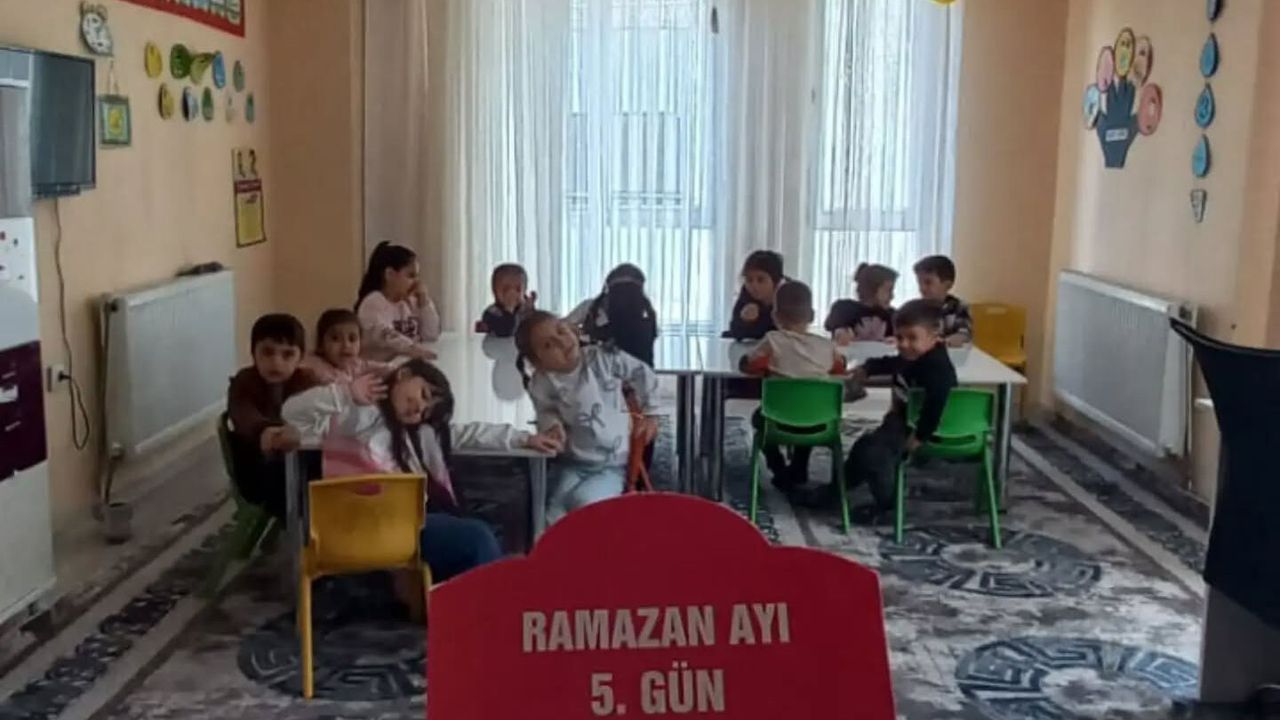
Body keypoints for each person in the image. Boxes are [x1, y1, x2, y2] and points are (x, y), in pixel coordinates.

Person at [282, 359, 561, 581]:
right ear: (403, 374)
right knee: (478, 538)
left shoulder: (414, 435)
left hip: (400, 527)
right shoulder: (359, 418)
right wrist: (345, 395)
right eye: (423, 394)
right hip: (366, 528)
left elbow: (466, 433)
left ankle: (462, 605)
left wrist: (524, 439)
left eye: (426, 410)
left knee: (483, 535)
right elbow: (291, 412)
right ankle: (491, 614)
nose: (419, 408)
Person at [802, 300, 957, 518]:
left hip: (918, 427)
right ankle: (835, 492)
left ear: (935, 336)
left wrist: (919, 437)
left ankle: (888, 506)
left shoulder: (936, 367)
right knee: (864, 448)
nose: (904, 344)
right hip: (902, 420)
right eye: (900, 338)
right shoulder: (915, 356)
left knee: (873, 454)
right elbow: (892, 363)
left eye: (912, 337)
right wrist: (867, 368)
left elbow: (937, 403)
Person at [515, 311, 660, 523]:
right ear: (537, 362)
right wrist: (552, 426)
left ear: (572, 330)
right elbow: (545, 410)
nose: (561, 342)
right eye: (548, 345)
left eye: (561, 331)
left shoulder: (602, 359)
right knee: (552, 514)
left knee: (584, 502)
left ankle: (599, 540)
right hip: (572, 462)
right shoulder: (542, 381)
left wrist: (651, 413)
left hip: (610, 464)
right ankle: (556, 545)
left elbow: (642, 373)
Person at [740, 281, 847, 488]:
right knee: (808, 411)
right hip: (821, 423)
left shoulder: (772, 340)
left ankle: (778, 467)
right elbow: (840, 367)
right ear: (812, 316)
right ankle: (799, 465)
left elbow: (749, 364)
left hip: (776, 421)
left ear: (775, 316)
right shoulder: (826, 346)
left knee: (758, 418)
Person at [226, 313, 323, 519]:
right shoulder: (244, 382)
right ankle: (301, 524)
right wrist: (266, 431)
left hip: (301, 462)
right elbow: (243, 414)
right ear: (253, 353)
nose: (276, 363)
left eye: (287, 355)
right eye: (267, 352)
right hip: (258, 469)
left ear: (300, 358)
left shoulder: (307, 381)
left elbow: (324, 412)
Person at [356, 241, 441, 361]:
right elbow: (386, 336)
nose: (417, 282)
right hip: (382, 368)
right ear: (389, 274)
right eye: (411, 276)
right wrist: (413, 349)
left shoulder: (411, 302)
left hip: (408, 363)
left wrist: (424, 301)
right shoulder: (373, 303)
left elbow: (431, 335)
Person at [572, 264, 658, 367]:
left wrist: (585, 335)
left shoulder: (643, 319)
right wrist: (578, 333)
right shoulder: (592, 308)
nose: (623, 296)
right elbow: (563, 328)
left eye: (628, 291)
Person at [302, 308, 394, 384]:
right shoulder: (315, 366)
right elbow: (335, 385)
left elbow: (375, 368)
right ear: (320, 345)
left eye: (352, 339)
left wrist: (394, 371)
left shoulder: (354, 364)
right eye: (335, 339)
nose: (346, 345)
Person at [825, 263, 897, 344]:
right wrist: (840, 332)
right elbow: (835, 329)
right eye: (889, 290)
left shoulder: (892, 315)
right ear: (872, 289)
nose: (892, 296)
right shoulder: (844, 309)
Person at [913, 255, 972, 347]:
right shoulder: (917, 308)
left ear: (947, 285)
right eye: (919, 283)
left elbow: (963, 334)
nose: (922, 288)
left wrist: (948, 341)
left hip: (949, 353)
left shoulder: (958, 307)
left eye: (928, 282)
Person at [725, 250, 785, 341]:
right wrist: (744, 321)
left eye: (761, 280)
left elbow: (790, 335)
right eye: (749, 280)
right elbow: (735, 332)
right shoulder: (746, 295)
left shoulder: (789, 296)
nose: (754, 286)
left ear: (776, 281)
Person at [476, 263, 536, 338]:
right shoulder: (492, 313)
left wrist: (531, 309)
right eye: (505, 290)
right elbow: (505, 332)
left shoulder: (524, 310)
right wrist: (509, 309)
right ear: (495, 292)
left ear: (524, 291)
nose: (512, 294)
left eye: (518, 289)